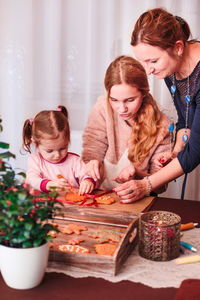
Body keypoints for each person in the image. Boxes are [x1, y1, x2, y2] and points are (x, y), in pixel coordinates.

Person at [114, 7, 200, 203]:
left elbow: (196, 150)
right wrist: (177, 149)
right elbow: (187, 119)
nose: (148, 71)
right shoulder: (171, 69)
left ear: (178, 47)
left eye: (153, 61)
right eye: (143, 62)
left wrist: (146, 185)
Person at [82, 55, 171, 196]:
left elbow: (160, 186)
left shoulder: (162, 126)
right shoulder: (102, 108)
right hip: (101, 195)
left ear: (144, 93)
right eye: (114, 100)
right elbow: (92, 150)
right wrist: (91, 163)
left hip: (139, 201)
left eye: (130, 100)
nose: (122, 108)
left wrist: (137, 174)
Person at [22, 106, 96, 195]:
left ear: (68, 140)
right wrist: (48, 185)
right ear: (36, 143)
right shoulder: (35, 161)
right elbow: (32, 180)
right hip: (45, 204)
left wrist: (88, 181)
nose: (57, 155)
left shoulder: (75, 161)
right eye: (50, 151)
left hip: (71, 206)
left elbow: (86, 174)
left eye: (62, 148)